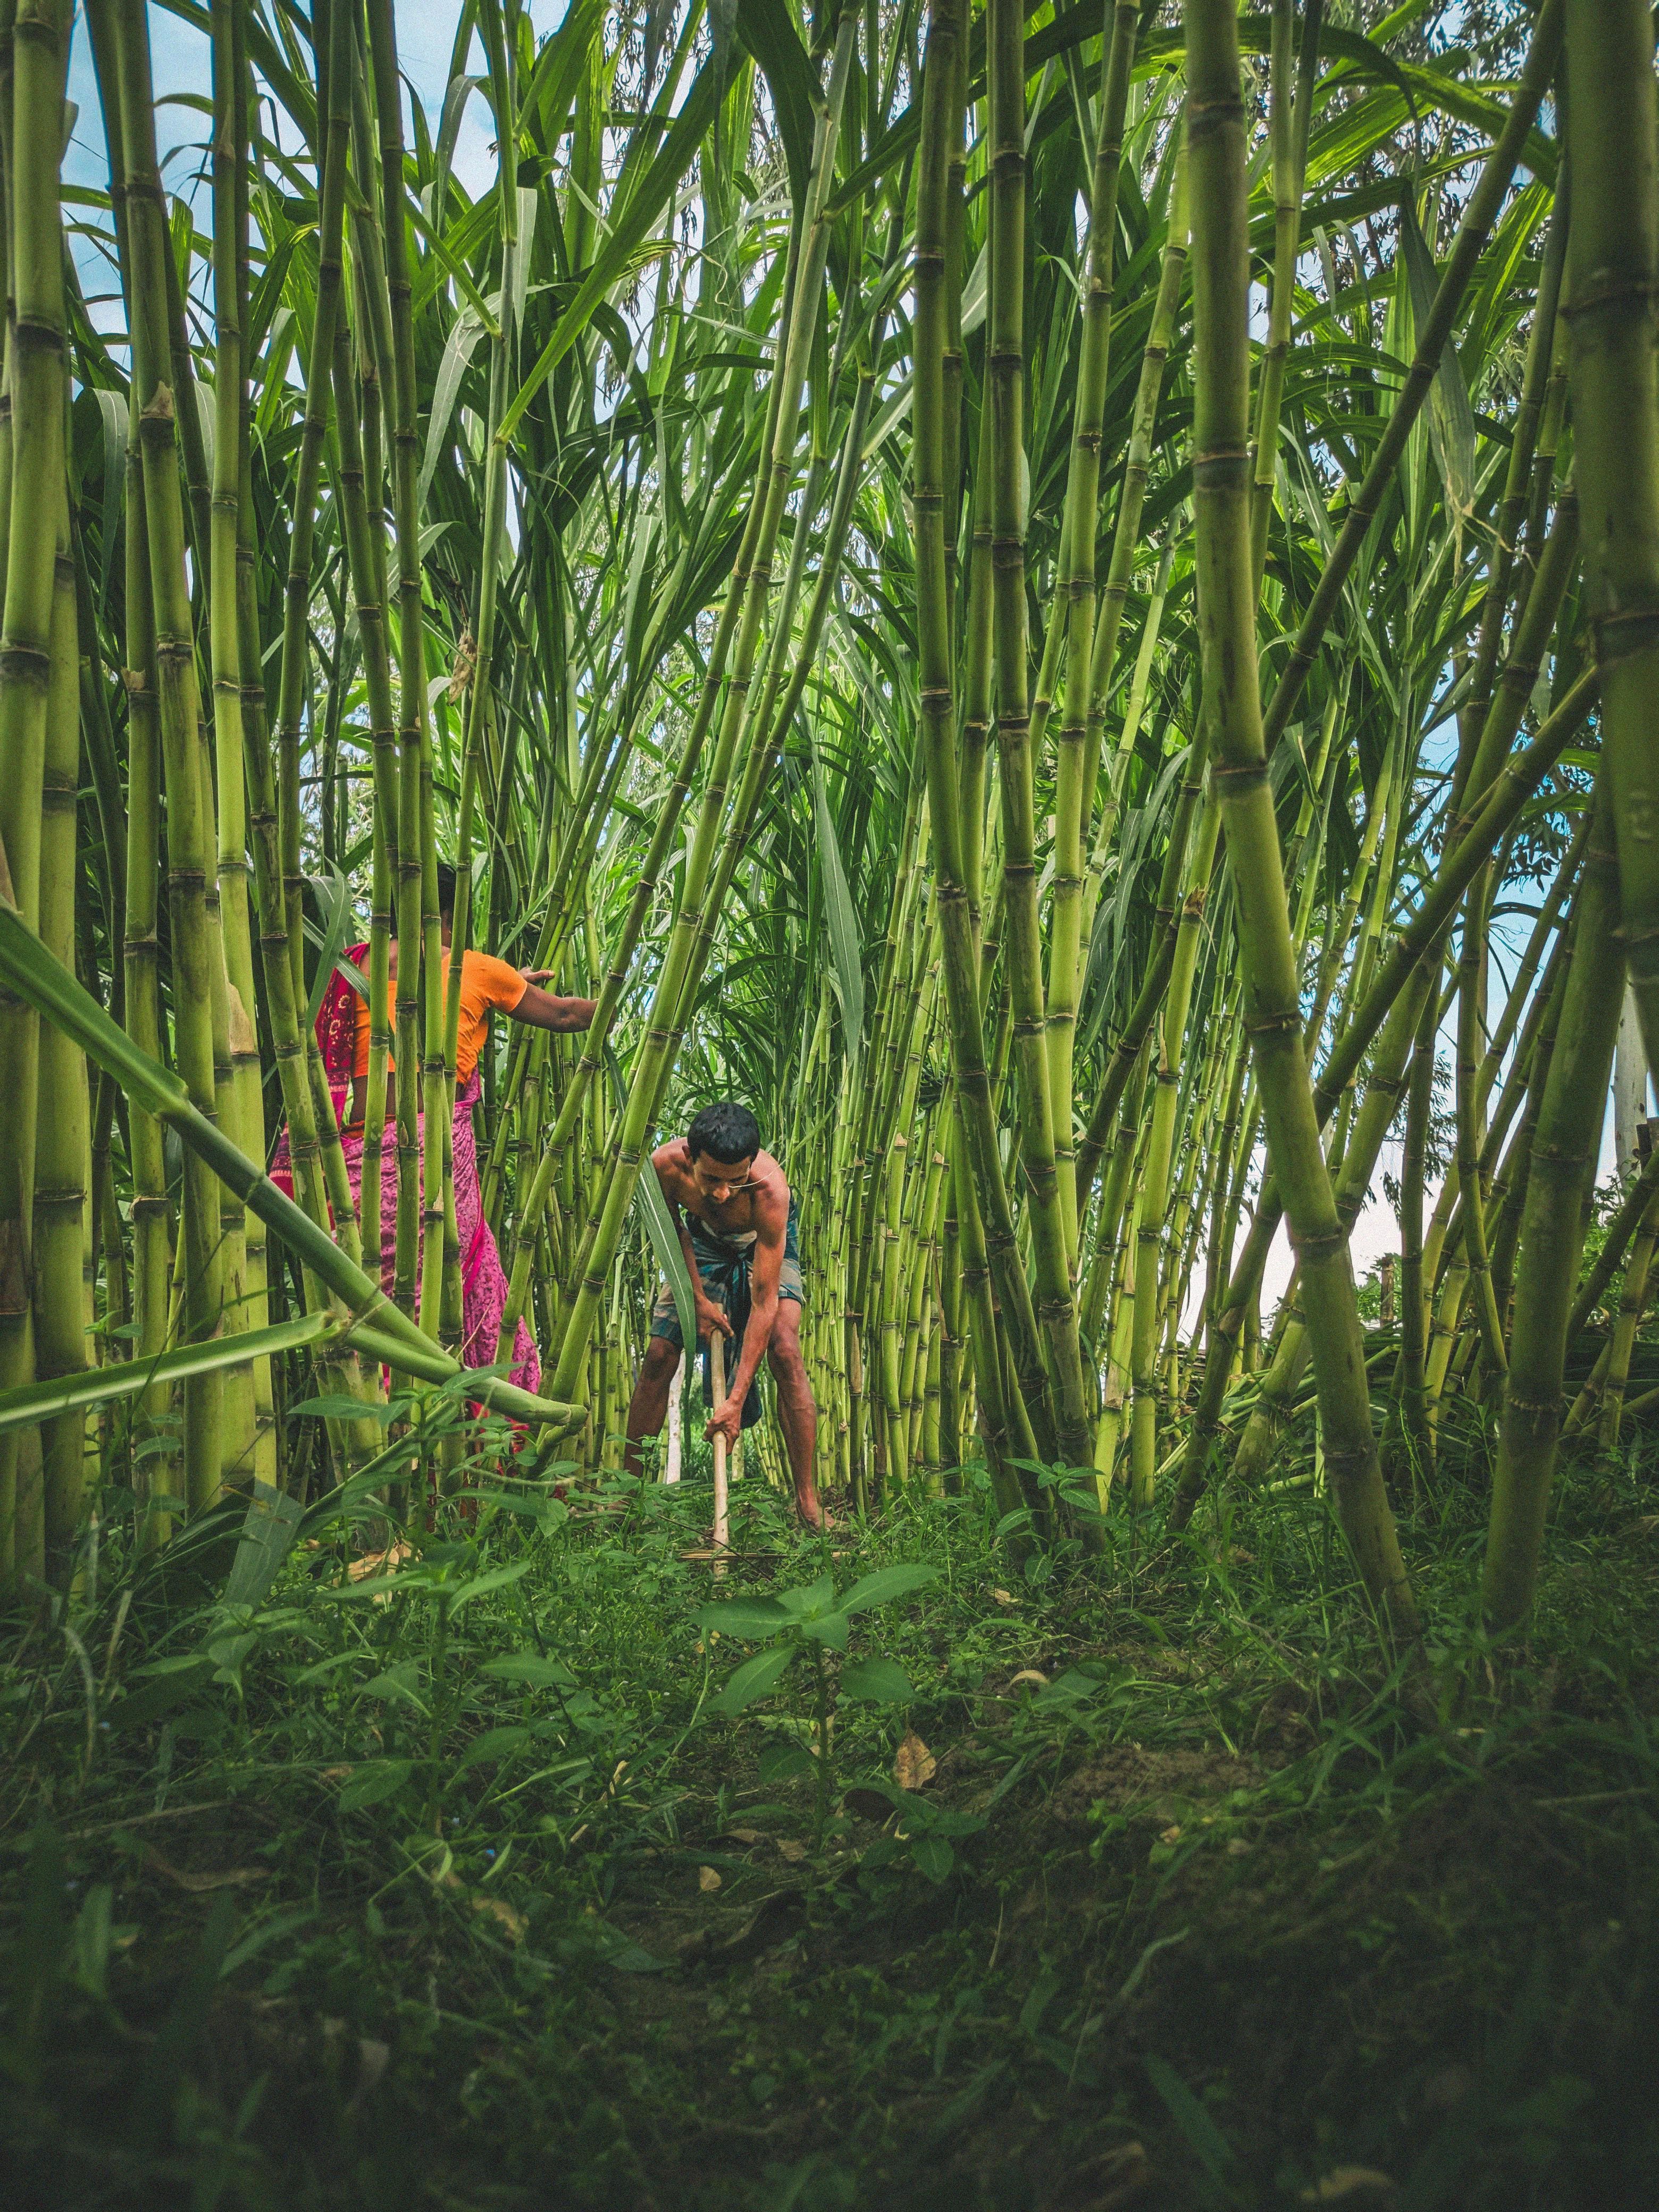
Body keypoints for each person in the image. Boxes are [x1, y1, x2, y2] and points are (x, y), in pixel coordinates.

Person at [272, 865, 594, 1393]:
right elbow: (563, 1016)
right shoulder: (477, 968)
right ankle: (445, 1416)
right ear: (448, 915)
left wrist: (503, 982)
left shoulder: (354, 965)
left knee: (365, 1295)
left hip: (352, 1157)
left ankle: (376, 1410)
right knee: (441, 1293)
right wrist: (607, 1005)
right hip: (428, 1159)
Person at [624, 1101, 825, 1529]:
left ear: (751, 1165)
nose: (721, 1193)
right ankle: (625, 1496)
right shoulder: (665, 1166)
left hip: (763, 1246)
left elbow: (763, 1302)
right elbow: (674, 1230)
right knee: (660, 1353)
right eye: (710, 1179)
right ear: (690, 1158)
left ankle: (808, 1502)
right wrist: (695, 1296)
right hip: (700, 1245)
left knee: (786, 1351)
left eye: (735, 1182)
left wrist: (734, 1400)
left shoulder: (770, 1191)